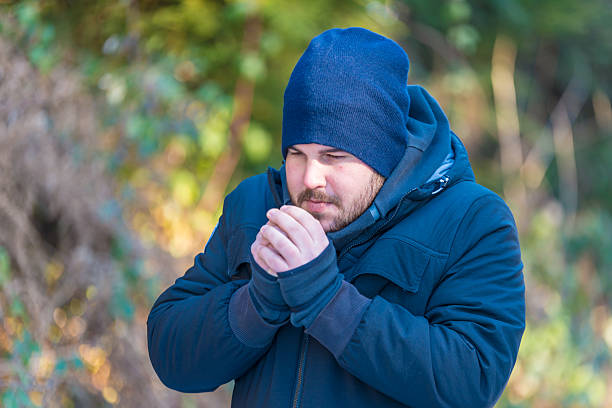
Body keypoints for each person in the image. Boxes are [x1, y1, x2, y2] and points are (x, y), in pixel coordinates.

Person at [147, 27, 525, 407]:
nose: (310, 178)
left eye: (334, 156)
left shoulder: (472, 220)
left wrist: (327, 299)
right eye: (296, 153)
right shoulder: (255, 204)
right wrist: (257, 302)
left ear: (385, 155)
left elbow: (473, 380)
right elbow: (171, 357)